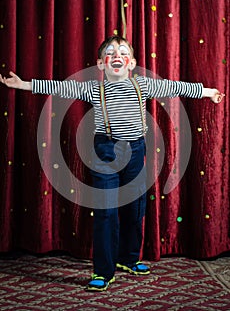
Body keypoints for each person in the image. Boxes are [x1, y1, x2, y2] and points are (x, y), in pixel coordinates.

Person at [0, 36, 225, 292]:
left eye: (122, 52)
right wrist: (23, 84)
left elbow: (176, 87)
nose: (116, 55)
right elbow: (59, 87)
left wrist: (208, 92)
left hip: (135, 150)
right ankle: (103, 271)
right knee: (106, 211)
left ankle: (129, 258)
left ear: (132, 63)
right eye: (110, 52)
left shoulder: (143, 84)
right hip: (105, 151)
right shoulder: (93, 89)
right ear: (100, 64)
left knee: (135, 207)